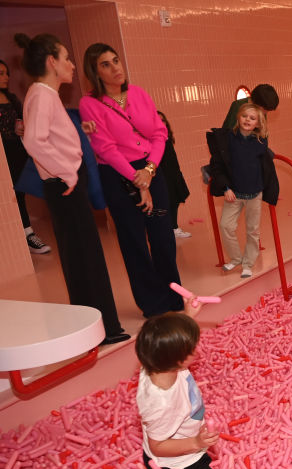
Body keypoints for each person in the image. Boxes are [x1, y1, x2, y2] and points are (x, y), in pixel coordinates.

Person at [16, 33, 129, 345]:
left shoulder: (45, 95)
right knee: (84, 257)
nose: (71, 65)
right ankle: (102, 327)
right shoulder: (41, 94)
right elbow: (33, 141)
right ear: (51, 62)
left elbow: (49, 135)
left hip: (65, 181)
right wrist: (67, 173)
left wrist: (81, 130)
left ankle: (96, 326)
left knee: (83, 256)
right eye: (65, 58)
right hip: (63, 183)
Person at [135, 300, 254, 469]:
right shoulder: (163, 401)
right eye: (191, 349)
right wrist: (195, 441)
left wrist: (187, 315)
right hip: (180, 464)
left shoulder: (154, 362)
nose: (197, 351)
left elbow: (165, 341)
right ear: (176, 358)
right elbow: (159, 445)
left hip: (163, 465)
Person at [78, 43, 184, 319]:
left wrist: (149, 172)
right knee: (134, 240)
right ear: (95, 71)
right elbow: (105, 147)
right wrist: (137, 180)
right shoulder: (89, 103)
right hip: (117, 174)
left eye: (116, 61)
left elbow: (159, 134)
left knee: (163, 237)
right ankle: (153, 304)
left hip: (150, 169)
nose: (115, 68)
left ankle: (175, 296)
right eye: (106, 64)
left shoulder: (139, 94)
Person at [206, 103, 279, 279]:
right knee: (225, 226)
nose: (248, 120)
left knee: (252, 230)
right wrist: (225, 187)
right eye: (245, 116)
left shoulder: (260, 142)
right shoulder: (228, 139)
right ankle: (237, 258)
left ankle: (248, 263)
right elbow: (218, 166)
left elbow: (266, 167)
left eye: (252, 118)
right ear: (238, 118)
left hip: (254, 194)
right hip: (234, 194)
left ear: (258, 124)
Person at [0, 59, 50, 254]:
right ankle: (21, 234)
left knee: (19, 192)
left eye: (6, 73)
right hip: (2, 155)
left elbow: (23, 121)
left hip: (17, 152)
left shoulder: (11, 98)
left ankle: (28, 233)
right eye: (0, 74)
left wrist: (23, 129)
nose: (5, 77)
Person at [157, 111, 191, 239]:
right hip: (164, 175)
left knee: (175, 199)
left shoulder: (167, 137)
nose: (161, 122)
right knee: (169, 201)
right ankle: (172, 228)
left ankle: (173, 227)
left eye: (163, 120)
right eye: (158, 120)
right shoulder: (155, 139)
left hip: (174, 174)